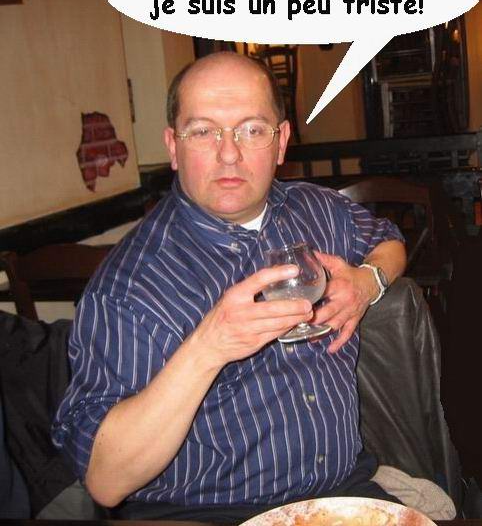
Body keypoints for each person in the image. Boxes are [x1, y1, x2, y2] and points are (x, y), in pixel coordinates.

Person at [52, 52, 406, 521]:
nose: (229, 153)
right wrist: (210, 345)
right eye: (203, 131)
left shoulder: (320, 210)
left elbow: (388, 240)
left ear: (281, 142)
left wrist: (367, 281)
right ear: (173, 147)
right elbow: (105, 481)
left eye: (252, 129)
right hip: (206, 513)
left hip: (343, 490)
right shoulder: (127, 286)